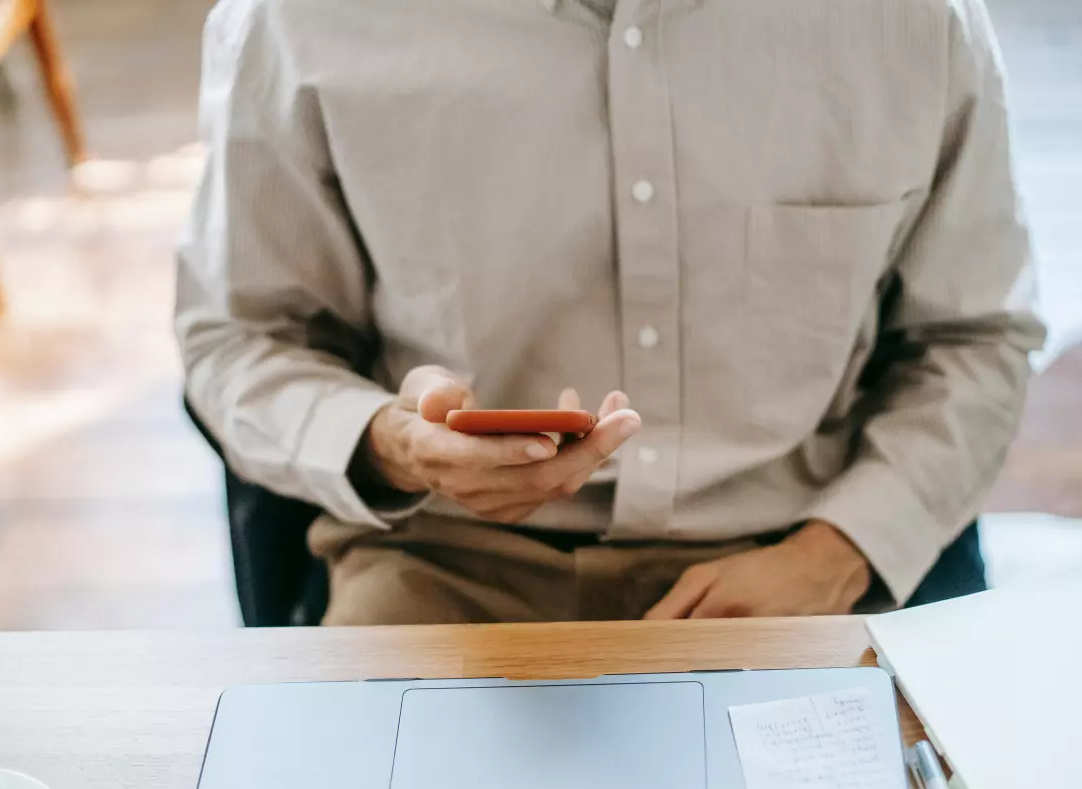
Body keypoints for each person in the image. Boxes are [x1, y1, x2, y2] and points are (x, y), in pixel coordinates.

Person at [176, 0, 1044, 625]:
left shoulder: (914, 21)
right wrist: (394, 445)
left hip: (801, 561)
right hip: (442, 568)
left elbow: (976, 338)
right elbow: (242, 340)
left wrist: (838, 552)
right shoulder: (297, 20)